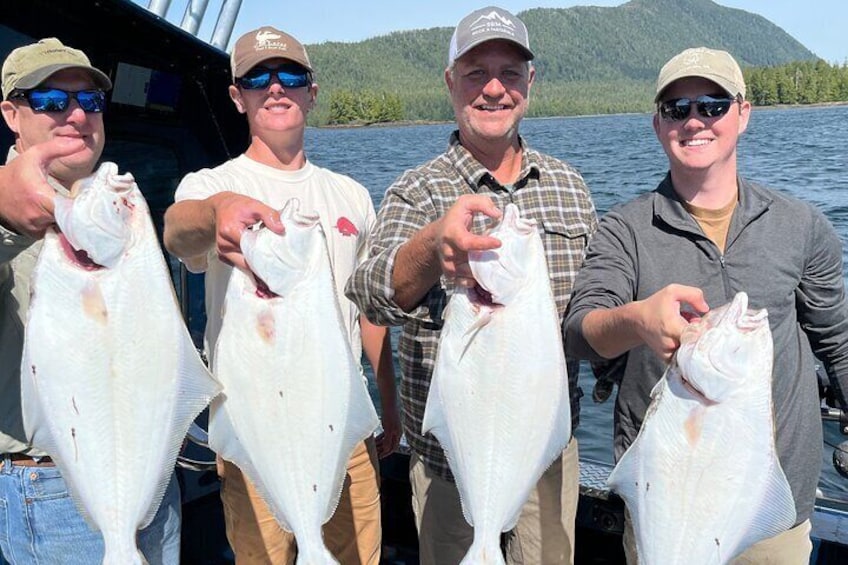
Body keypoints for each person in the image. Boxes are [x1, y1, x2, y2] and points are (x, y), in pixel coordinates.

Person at [564, 46, 848, 564]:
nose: (694, 120)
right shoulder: (624, 229)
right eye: (677, 109)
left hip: (768, 508)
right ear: (658, 124)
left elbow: (838, 341)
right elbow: (581, 331)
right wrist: (637, 319)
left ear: (743, 114)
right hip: (667, 500)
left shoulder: (801, 225)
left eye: (713, 105)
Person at [346, 6, 598, 564]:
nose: (493, 89)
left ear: (529, 83)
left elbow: (594, 305)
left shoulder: (570, 187)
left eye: (510, 73)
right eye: (474, 72)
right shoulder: (416, 191)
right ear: (449, 83)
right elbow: (367, 291)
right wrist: (433, 248)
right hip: (448, 461)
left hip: (546, 452)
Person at [162, 26, 401, 564]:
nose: (276, 88)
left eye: (290, 76)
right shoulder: (208, 185)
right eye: (257, 78)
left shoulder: (352, 195)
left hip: (340, 414)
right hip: (255, 421)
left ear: (311, 92)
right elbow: (178, 232)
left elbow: (369, 309)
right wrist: (216, 214)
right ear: (236, 96)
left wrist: (389, 399)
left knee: (359, 555)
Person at [0, 38, 181, 564]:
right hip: (56, 487)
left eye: (91, 102)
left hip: (151, 473)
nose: (77, 114)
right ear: (11, 113)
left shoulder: (115, 207)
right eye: (53, 101)